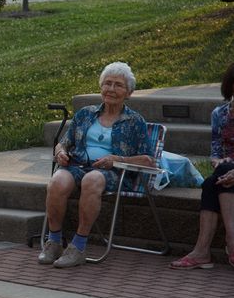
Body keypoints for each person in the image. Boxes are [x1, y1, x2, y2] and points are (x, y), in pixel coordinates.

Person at [38, 62, 154, 268]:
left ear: (128, 93)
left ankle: (78, 247)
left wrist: (117, 159)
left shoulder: (135, 122)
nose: (111, 89)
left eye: (118, 85)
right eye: (107, 83)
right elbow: (63, 143)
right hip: (77, 165)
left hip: (112, 173)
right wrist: (61, 152)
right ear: (101, 87)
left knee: (92, 179)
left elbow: (148, 160)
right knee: (57, 181)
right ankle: (54, 241)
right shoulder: (85, 114)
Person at [170, 63, 234, 269]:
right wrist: (217, 161)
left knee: (217, 177)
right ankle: (204, 251)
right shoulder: (220, 113)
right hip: (227, 174)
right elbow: (216, 149)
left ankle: (223, 244)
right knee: (213, 180)